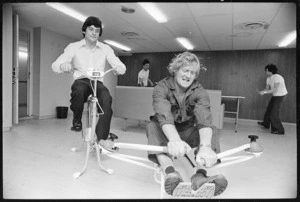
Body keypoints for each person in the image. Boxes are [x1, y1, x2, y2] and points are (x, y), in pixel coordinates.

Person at [145, 52, 227, 196]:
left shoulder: (200, 91)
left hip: (188, 130)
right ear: (176, 69)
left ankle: (200, 176)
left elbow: (204, 119)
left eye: (193, 73)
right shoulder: (161, 87)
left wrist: (206, 147)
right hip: (167, 133)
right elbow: (164, 116)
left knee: (212, 129)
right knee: (152, 126)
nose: (188, 76)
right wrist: (174, 140)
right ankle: (172, 174)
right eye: (185, 70)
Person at [51, 16, 126, 141]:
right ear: (84, 30)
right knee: (78, 90)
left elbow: (120, 65)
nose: (94, 33)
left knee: (107, 99)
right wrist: (63, 65)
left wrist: (119, 68)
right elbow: (55, 65)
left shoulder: (105, 48)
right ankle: (77, 120)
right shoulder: (73, 47)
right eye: (91, 29)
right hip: (82, 80)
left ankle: (101, 137)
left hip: (98, 83)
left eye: (97, 30)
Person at [257, 64, 287, 135]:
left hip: (281, 96)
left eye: (266, 70)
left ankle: (279, 130)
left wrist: (264, 92)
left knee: (274, 112)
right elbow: (267, 89)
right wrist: (262, 92)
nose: (265, 71)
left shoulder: (278, 77)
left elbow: (274, 89)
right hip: (275, 95)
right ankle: (266, 124)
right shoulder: (268, 78)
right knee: (269, 110)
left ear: (269, 70)